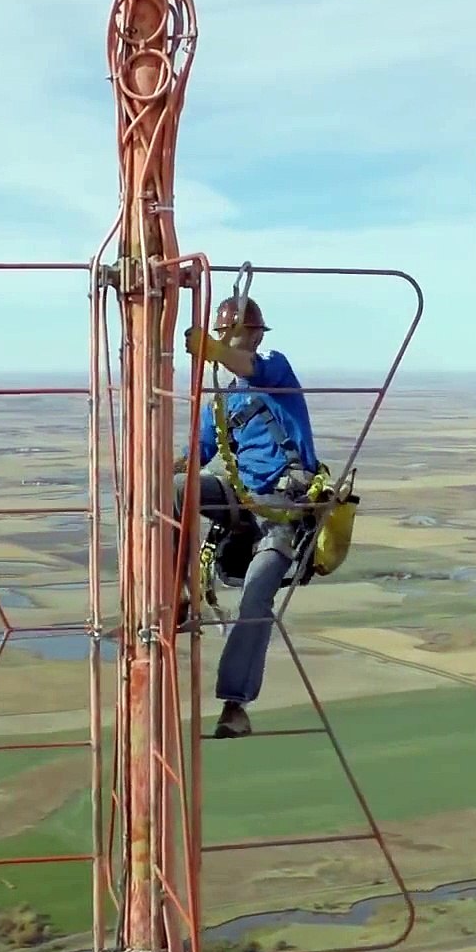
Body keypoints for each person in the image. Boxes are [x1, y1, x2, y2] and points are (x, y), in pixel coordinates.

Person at [172, 293, 321, 738]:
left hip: (284, 509)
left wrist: (215, 350)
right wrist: (155, 467)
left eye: (236, 334)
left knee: (255, 598)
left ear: (255, 336)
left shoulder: (276, 370)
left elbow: (248, 366)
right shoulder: (223, 403)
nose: (232, 341)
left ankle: (234, 705)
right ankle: (180, 594)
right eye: (225, 336)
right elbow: (194, 458)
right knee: (174, 490)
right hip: (243, 501)